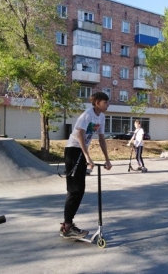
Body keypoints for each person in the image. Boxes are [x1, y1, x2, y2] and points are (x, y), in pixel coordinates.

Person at [60, 92, 112, 239]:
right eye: (105, 102)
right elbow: (79, 135)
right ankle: (67, 226)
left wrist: (107, 159)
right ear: (97, 103)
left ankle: (68, 224)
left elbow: (101, 139)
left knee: (80, 190)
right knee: (74, 189)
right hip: (73, 151)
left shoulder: (101, 117)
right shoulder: (87, 115)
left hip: (81, 153)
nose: (107, 105)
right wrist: (87, 156)